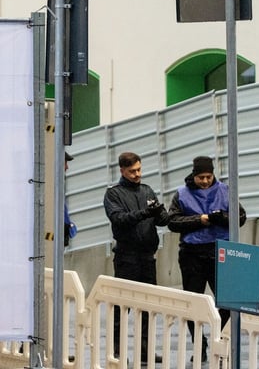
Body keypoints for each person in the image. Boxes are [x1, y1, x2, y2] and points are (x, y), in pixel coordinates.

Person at [167, 155, 246, 362]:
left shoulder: (225, 190)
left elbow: (241, 217)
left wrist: (223, 218)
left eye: (208, 177)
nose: (204, 181)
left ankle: (218, 336)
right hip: (192, 253)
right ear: (194, 175)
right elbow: (172, 222)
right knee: (194, 303)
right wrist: (199, 220)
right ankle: (200, 346)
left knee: (229, 300)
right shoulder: (182, 194)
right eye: (201, 177)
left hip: (220, 250)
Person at [103, 151, 170, 362]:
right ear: (122, 170)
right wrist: (145, 213)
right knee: (122, 305)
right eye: (132, 171)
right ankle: (117, 349)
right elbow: (119, 219)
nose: (137, 174)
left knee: (148, 307)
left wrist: (159, 213)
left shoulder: (147, 190)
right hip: (126, 257)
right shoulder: (113, 194)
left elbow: (162, 221)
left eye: (139, 169)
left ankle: (145, 350)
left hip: (147, 257)